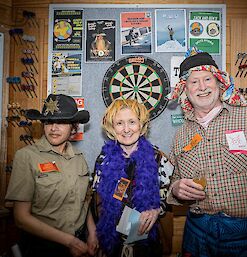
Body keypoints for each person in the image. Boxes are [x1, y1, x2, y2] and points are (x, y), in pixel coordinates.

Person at [167, 48, 247, 257]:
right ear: (185, 90)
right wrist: (176, 189)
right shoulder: (181, 136)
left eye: (207, 79)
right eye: (194, 81)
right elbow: (175, 180)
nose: (202, 87)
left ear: (220, 83)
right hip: (197, 234)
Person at [5, 94, 98, 257]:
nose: (53, 128)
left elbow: (84, 201)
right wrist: (70, 241)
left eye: (61, 122)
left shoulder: (79, 158)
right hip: (43, 247)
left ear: (73, 127)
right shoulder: (26, 156)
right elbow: (21, 218)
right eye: (48, 122)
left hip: (80, 242)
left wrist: (92, 233)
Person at [91, 99, 174, 257]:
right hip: (111, 243)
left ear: (141, 126)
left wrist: (157, 209)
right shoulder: (103, 160)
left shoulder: (158, 159)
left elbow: (171, 195)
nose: (126, 129)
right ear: (112, 127)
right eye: (120, 123)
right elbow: (96, 202)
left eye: (132, 122)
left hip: (147, 241)